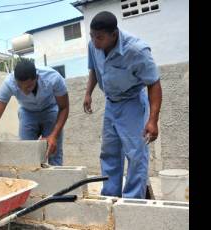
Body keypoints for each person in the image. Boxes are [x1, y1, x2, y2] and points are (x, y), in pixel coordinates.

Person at [83, 11, 162, 199]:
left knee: (136, 155)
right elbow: (94, 69)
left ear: (114, 34)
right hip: (111, 104)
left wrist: (153, 120)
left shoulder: (137, 50)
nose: (95, 42)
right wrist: (88, 93)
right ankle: (111, 197)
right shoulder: (93, 45)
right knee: (109, 152)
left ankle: (133, 201)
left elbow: (154, 83)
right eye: (92, 36)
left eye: (99, 38)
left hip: (132, 103)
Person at [0, 59, 69, 166]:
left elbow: (64, 107)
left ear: (36, 77)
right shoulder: (9, 83)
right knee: (26, 155)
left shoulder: (53, 78)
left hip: (50, 110)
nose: (24, 91)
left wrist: (54, 135)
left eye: (28, 87)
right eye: (19, 87)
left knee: (53, 152)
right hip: (28, 113)